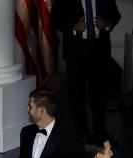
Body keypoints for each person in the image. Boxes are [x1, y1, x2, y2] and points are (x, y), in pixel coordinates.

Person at [52, 0, 121, 135]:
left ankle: (100, 133)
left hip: (99, 50)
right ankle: (81, 133)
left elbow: (115, 15)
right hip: (75, 51)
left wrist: (107, 23)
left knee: (99, 95)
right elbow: (55, 19)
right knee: (77, 95)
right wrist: (73, 26)